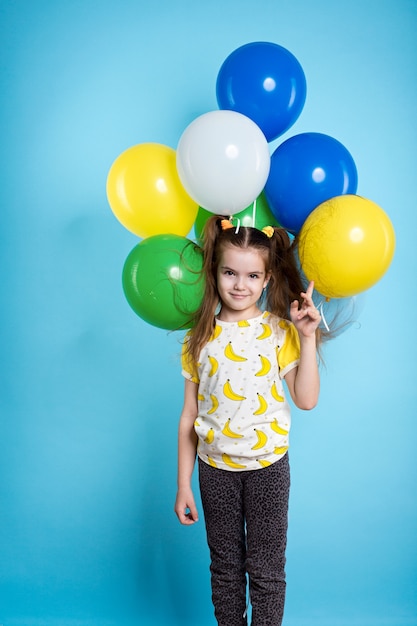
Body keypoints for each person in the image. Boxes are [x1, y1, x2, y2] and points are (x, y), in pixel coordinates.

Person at [174, 215, 322, 626]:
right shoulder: (198, 337)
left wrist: (306, 338)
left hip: (268, 469)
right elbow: (189, 416)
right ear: (215, 273)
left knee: (268, 571)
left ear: (268, 277)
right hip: (214, 471)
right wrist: (183, 484)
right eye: (230, 273)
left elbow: (306, 399)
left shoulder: (279, 331)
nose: (240, 284)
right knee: (224, 571)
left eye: (252, 274)